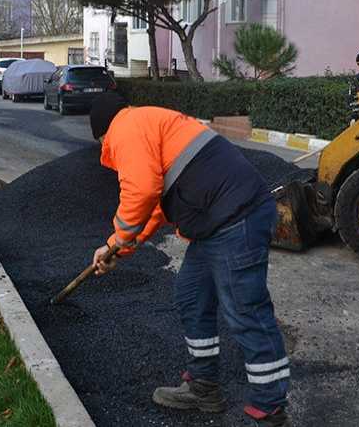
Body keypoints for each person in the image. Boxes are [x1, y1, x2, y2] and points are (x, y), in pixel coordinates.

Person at [89, 92, 291, 427]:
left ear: (102, 133)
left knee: (245, 309)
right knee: (191, 296)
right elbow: (153, 206)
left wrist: (119, 238)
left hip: (237, 216)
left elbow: (140, 190)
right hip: (216, 221)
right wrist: (116, 248)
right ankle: (203, 387)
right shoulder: (144, 123)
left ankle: (270, 407)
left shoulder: (125, 127)